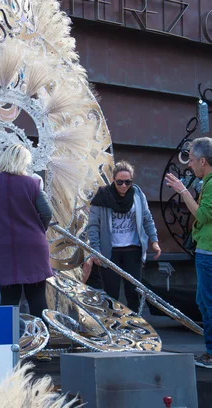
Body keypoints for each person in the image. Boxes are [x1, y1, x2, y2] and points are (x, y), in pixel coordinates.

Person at [0, 144, 53, 318]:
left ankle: (10, 342)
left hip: (5, 248)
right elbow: (47, 212)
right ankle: (42, 341)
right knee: (36, 297)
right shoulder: (33, 184)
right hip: (33, 247)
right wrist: (38, 230)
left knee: (9, 299)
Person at [87, 160, 161, 313]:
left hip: (133, 250)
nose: (123, 186)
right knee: (111, 294)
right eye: (119, 182)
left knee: (133, 292)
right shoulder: (102, 197)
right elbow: (93, 226)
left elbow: (147, 218)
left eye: (127, 182)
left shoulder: (138, 195)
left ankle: (135, 327)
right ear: (113, 180)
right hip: (110, 252)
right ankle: (112, 327)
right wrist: (95, 249)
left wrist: (154, 240)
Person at [165, 137, 212, 369]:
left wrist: (183, 191)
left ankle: (211, 354)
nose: (190, 165)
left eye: (192, 160)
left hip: (209, 253)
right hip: (206, 250)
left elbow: (203, 216)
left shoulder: (211, 183)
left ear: (203, 161)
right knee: (203, 301)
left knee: (207, 303)